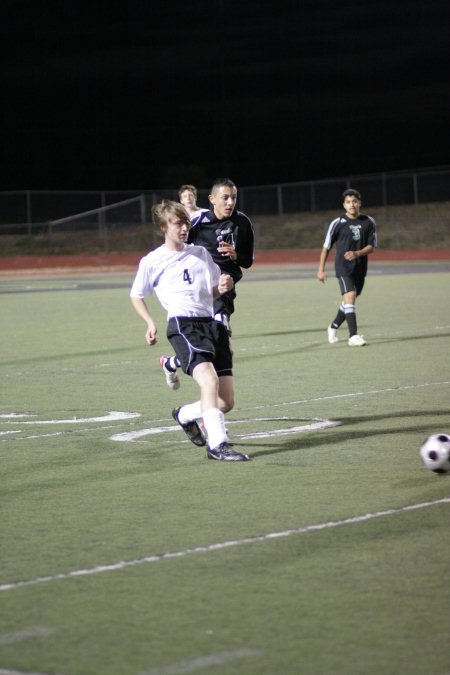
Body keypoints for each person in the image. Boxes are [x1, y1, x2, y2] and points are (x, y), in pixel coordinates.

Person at [130, 199, 250, 462]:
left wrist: (224, 286)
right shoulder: (152, 261)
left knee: (226, 401)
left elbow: (212, 290)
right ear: (163, 227)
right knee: (209, 381)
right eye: (177, 223)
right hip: (184, 326)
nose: (184, 228)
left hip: (212, 324)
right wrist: (150, 323)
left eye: (186, 222)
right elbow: (137, 295)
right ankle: (217, 446)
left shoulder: (200, 254)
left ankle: (183, 415)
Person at [160, 178, 254, 389]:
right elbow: (176, 247)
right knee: (215, 348)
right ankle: (211, 404)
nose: (230, 202)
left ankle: (172, 364)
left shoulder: (243, 223)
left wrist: (236, 255)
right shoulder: (197, 222)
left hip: (225, 290)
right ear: (212, 199)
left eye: (234, 198)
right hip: (200, 291)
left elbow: (247, 261)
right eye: (225, 198)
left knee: (218, 347)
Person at [317, 188, 377, 346]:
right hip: (343, 268)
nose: (352, 205)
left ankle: (333, 326)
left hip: (360, 268)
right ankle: (353, 336)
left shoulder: (369, 222)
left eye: (355, 201)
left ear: (359, 203)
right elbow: (326, 247)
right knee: (350, 296)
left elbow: (372, 246)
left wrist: (357, 253)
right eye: (348, 202)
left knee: (349, 300)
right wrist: (321, 270)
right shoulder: (337, 223)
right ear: (344, 205)